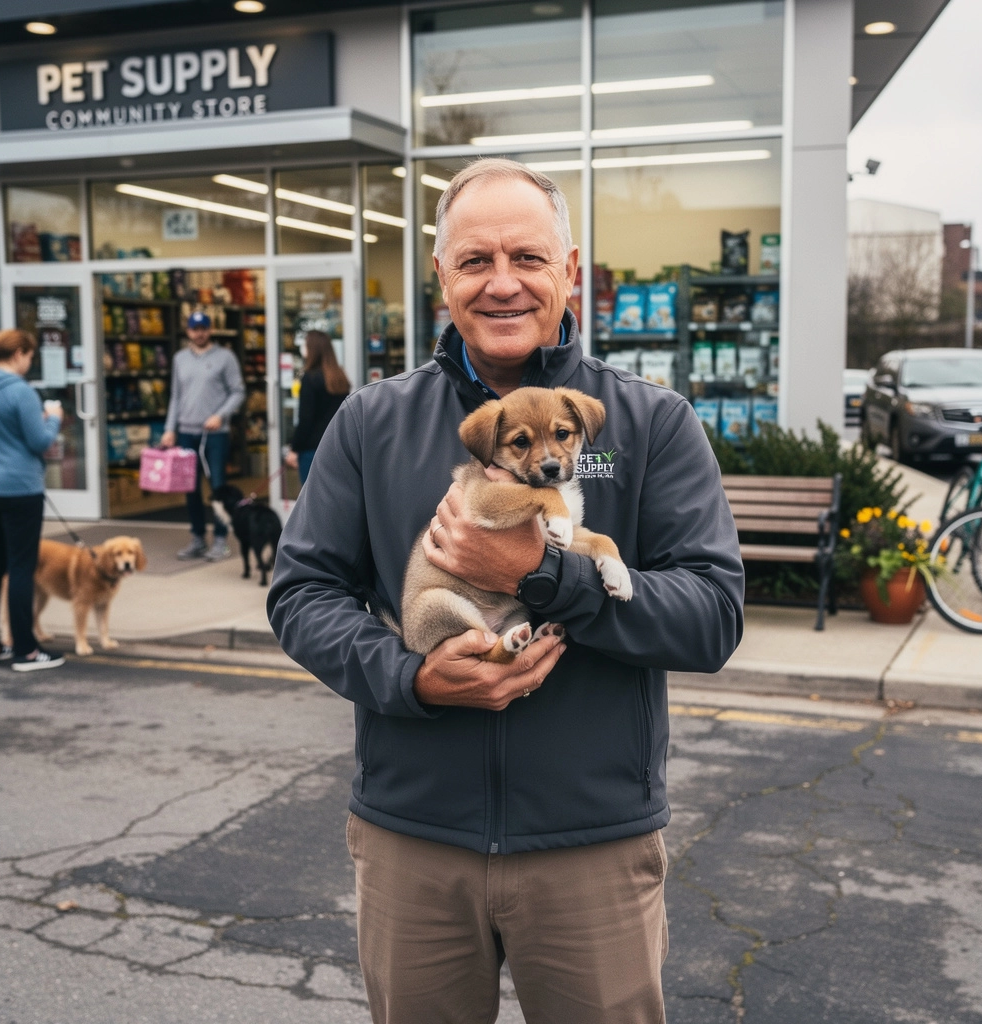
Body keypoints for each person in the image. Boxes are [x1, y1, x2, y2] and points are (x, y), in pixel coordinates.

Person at [268, 158, 744, 1023]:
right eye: (474, 261)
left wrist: (542, 577)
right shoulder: (374, 423)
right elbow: (301, 592)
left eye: (527, 258)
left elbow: (711, 614)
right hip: (415, 840)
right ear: (441, 276)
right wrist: (406, 677)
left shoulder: (640, 426)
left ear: (569, 270)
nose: (502, 285)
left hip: (590, 846)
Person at [0, 328, 66, 672]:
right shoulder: (21, 392)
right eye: (30, 356)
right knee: (21, 567)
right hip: (20, 488)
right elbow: (39, 441)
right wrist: (54, 419)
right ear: (19, 352)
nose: (30, 362)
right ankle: (26, 650)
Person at [161, 311, 245, 561]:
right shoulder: (179, 359)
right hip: (187, 432)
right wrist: (169, 428)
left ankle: (220, 540)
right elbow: (175, 396)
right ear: (188, 331)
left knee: (218, 486)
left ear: (210, 330)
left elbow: (238, 392)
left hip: (215, 434)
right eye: (195, 329)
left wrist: (221, 415)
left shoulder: (225, 357)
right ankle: (197, 537)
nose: (199, 333)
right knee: (190, 488)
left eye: (203, 328)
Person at [283, 330, 351, 484]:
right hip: (336, 446)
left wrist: (294, 448)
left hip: (312, 448)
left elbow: (306, 418)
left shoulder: (310, 378)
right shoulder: (339, 377)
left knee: (311, 499)